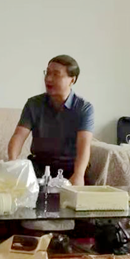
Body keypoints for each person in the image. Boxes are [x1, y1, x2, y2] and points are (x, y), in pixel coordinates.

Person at [8, 55, 94, 186]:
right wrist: (12, 162)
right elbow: (19, 136)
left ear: (72, 80)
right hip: (39, 166)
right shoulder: (34, 104)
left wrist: (78, 175)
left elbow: (84, 145)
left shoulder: (84, 108)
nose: (48, 79)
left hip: (72, 167)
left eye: (56, 74)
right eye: (47, 73)